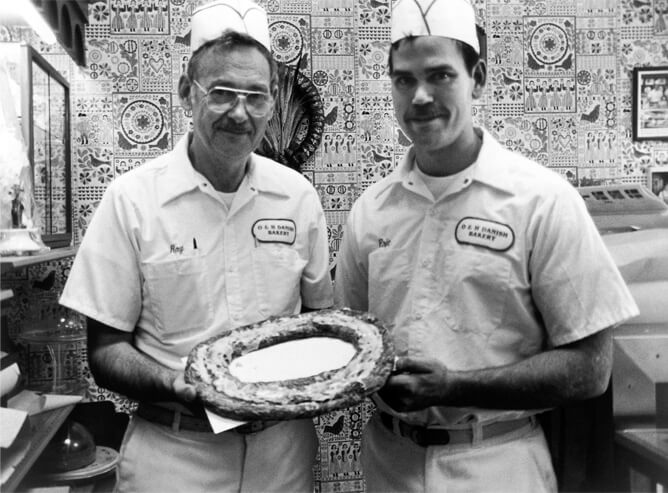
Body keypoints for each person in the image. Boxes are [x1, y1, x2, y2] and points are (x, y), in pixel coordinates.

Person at [334, 0, 639, 491]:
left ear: (477, 77)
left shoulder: (540, 200)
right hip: (388, 464)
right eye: (404, 80)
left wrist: (455, 386)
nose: (420, 97)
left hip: (497, 464)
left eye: (440, 76)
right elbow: (348, 340)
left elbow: (591, 369)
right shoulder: (371, 211)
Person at [59, 1, 333, 491]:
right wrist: (175, 385)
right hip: (175, 453)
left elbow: (318, 322)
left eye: (257, 96)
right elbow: (105, 351)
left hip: (282, 456)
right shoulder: (133, 200)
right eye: (223, 93)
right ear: (189, 92)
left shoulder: (297, 197)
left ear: (272, 100)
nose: (240, 112)